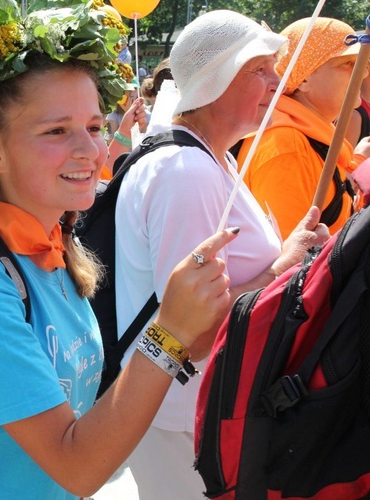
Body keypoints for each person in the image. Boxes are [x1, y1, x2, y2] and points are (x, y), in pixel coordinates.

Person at [0, 1, 238, 497]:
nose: (91, 149)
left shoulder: (50, 246)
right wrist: (168, 332)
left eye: (95, 126)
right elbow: (77, 465)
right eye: (57, 131)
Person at [105, 11, 331, 499]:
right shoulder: (186, 171)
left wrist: (290, 253)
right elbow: (195, 332)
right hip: (183, 423)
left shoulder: (212, 157)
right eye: (260, 69)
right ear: (216, 79)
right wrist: (283, 269)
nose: (277, 81)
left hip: (193, 415)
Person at [236, 17, 370, 239]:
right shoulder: (287, 146)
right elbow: (290, 261)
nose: (363, 73)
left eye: (362, 64)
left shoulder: (306, 135)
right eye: (347, 64)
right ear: (303, 79)